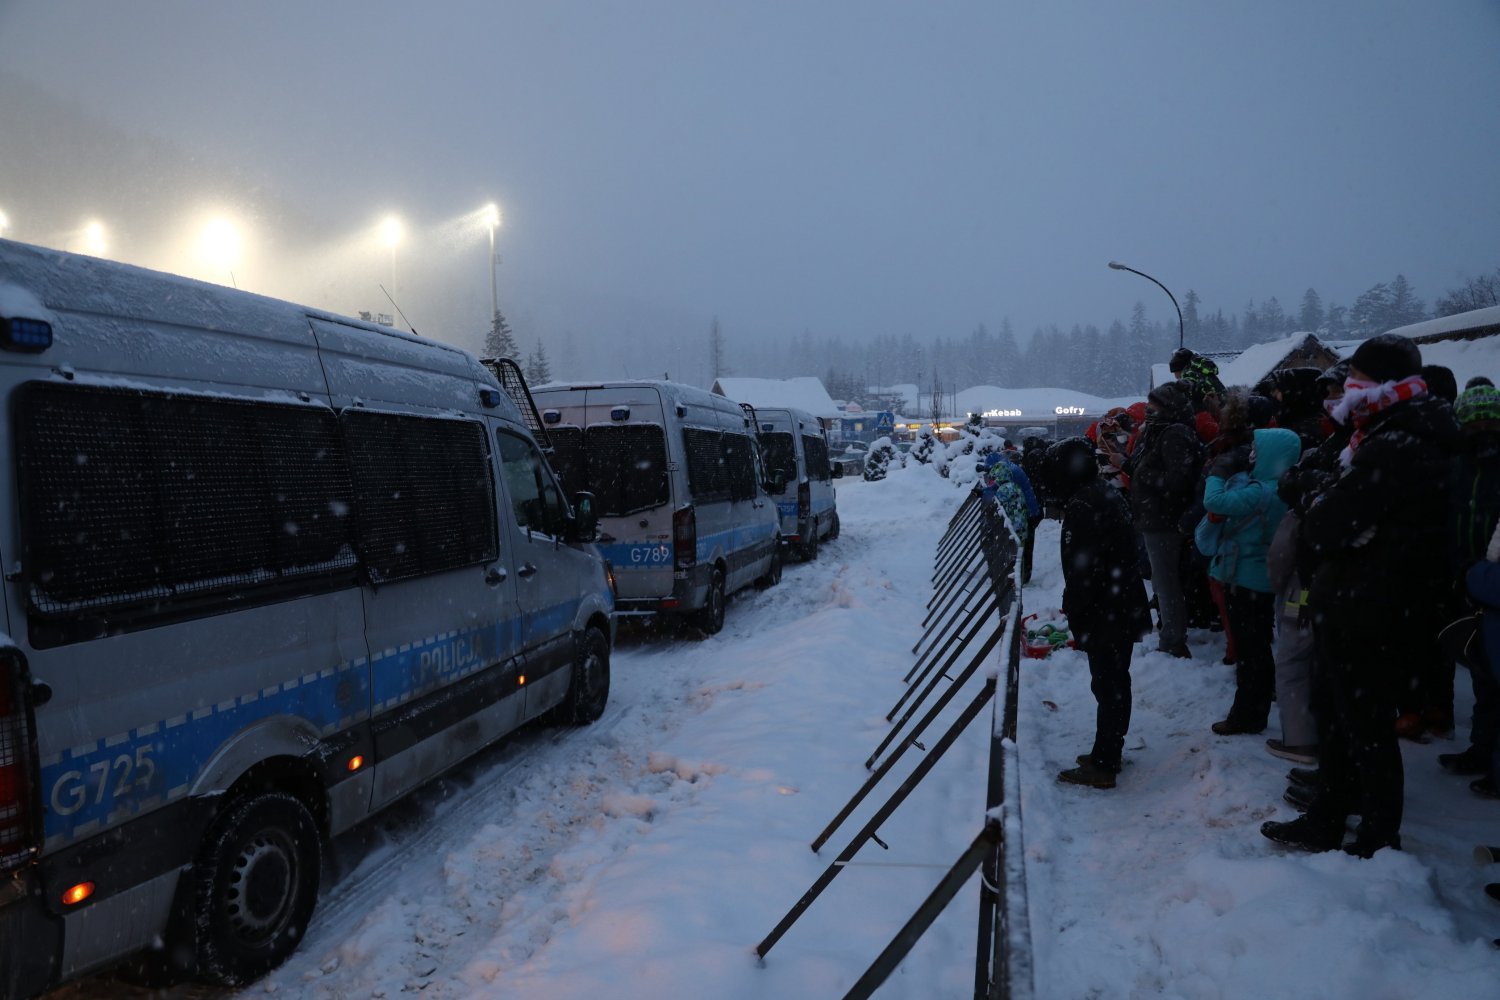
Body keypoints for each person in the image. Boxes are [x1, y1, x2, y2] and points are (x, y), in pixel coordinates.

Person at [1263, 334, 1460, 858]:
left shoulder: (1398, 443)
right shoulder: (1380, 435)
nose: (1347, 392)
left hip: (1371, 605)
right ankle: (1330, 813)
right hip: (1357, 599)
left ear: (1388, 388)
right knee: (1339, 714)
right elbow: (1337, 509)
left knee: (1364, 722)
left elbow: (1329, 523)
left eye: (1360, 383)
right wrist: (1320, 494)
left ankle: (1375, 835)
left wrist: (1308, 492)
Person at [1046, 438, 1152, 789]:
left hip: (1106, 607)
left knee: (1108, 683)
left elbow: (1082, 570)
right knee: (1116, 680)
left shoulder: (1083, 504)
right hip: (1120, 599)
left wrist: (1076, 608)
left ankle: (1104, 763)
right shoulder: (1101, 492)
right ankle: (1109, 750)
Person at [1200, 427, 1301, 735]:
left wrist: (1218, 472)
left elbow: (1214, 501)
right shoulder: (1283, 488)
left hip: (1245, 577)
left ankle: (1247, 714)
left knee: (1250, 649)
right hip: (1262, 576)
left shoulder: (1261, 491)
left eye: (1258, 450)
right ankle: (1260, 699)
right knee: (1257, 644)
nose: (1252, 455)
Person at [1439, 384, 1500, 786]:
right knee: (1481, 671)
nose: (1480, 429)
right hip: (1463, 576)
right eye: (1472, 421)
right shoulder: (1458, 463)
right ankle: (1482, 751)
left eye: (1487, 421)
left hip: (1492, 577)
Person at [1123, 382, 1204, 658]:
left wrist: (1145, 477)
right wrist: (1127, 465)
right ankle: (1169, 630)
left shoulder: (1175, 434)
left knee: (1166, 580)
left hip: (1165, 519)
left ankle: (1173, 639)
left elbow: (1179, 479)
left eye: (1155, 405)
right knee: (1162, 580)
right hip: (1153, 516)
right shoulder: (1156, 432)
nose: (1149, 410)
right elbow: (1144, 466)